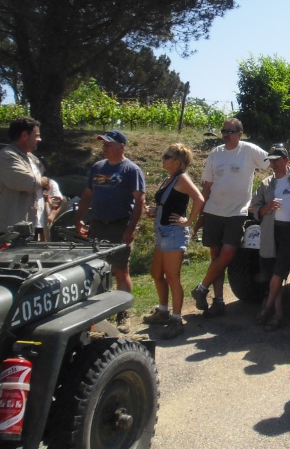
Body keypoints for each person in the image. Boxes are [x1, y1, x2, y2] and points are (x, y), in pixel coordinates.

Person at [191, 118, 268, 317]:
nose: (226, 134)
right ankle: (218, 302)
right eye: (224, 131)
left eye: (230, 131)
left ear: (240, 133)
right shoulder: (215, 153)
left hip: (237, 212)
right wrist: (201, 215)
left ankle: (201, 287)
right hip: (213, 211)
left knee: (228, 254)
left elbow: (272, 164)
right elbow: (206, 186)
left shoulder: (250, 150)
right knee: (216, 257)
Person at [76, 129, 146, 333]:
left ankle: (123, 315)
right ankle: (98, 314)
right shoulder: (98, 167)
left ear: (121, 146)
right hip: (98, 225)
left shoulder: (131, 170)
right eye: (103, 144)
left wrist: (130, 229)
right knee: (97, 270)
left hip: (119, 225)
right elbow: (88, 194)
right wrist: (79, 218)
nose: (104, 146)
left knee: (120, 270)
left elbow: (139, 200)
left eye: (108, 143)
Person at [142, 143, 204, 339]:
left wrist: (188, 221)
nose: (163, 158)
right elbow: (167, 203)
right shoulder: (169, 179)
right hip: (163, 232)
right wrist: (155, 211)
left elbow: (199, 199)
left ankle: (176, 320)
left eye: (167, 156)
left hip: (173, 234)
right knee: (156, 273)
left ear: (177, 162)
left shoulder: (182, 178)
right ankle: (163, 311)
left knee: (172, 277)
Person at [252, 144, 290, 331]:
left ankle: (267, 307)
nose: (273, 164)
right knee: (272, 274)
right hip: (270, 231)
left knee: (279, 272)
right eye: (271, 161)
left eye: (277, 160)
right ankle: (278, 314)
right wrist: (266, 207)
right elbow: (255, 209)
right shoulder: (266, 184)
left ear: (286, 160)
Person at [0, 116, 49, 237]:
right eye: (37, 135)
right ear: (24, 135)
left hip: (34, 227)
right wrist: (44, 181)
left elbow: (38, 184)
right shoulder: (6, 156)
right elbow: (29, 183)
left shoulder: (32, 158)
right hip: (13, 231)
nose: (39, 139)